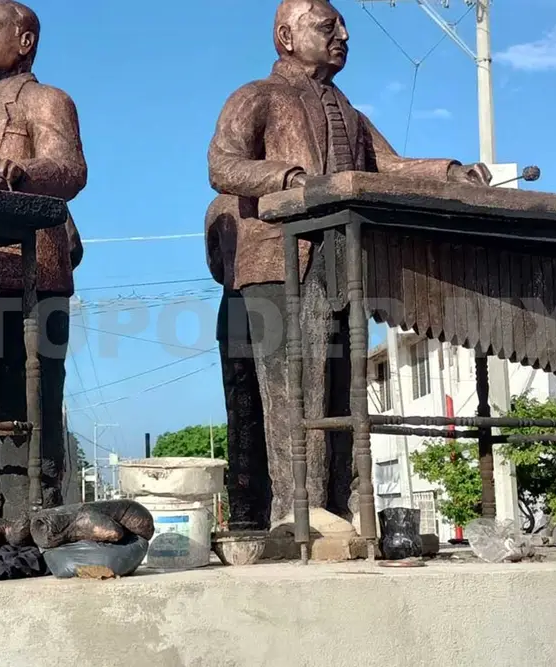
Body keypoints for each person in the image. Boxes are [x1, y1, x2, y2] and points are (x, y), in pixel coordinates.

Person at [207, 0, 491, 523]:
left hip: (343, 260)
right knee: (294, 394)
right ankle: (299, 518)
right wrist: (289, 180)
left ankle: (340, 510)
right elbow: (222, 165)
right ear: (286, 36)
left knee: (343, 388)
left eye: (342, 25)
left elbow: (391, 167)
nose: (343, 34)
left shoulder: (350, 112)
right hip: (279, 260)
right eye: (328, 25)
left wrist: (449, 172)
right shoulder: (256, 97)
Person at [0, 0, 87, 524]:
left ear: (24, 41)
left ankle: (31, 517)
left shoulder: (48, 100)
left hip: (32, 275)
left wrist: (24, 172)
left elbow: (71, 169)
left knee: (28, 401)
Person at [206, 195, 272, 530]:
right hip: (255, 310)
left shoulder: (218, 208)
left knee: (242, 416)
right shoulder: (280, 192)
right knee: (256, 412)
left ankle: (247, 509)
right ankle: (252, 508)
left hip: (236, 309)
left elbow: (216, 267)